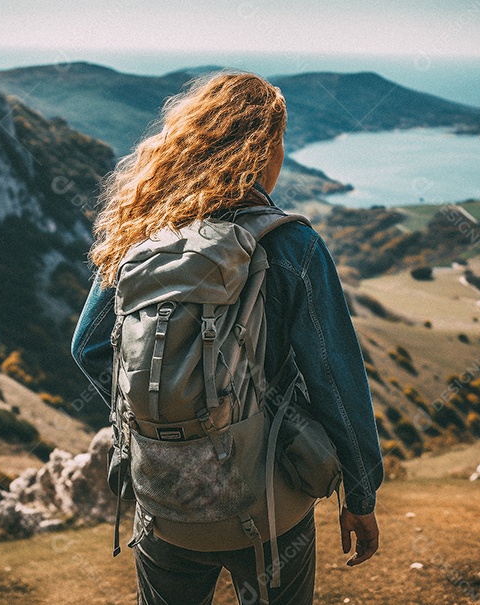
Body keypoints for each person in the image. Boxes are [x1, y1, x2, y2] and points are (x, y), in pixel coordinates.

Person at [71, 71, 382, 605]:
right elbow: (335, 378)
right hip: (268, 506)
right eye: (280, 143)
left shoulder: (145, 232)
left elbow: (89, 348)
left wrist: (167, 416)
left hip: (164, 503)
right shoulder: (291, 244)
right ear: (265, 148)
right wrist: (359, 491)